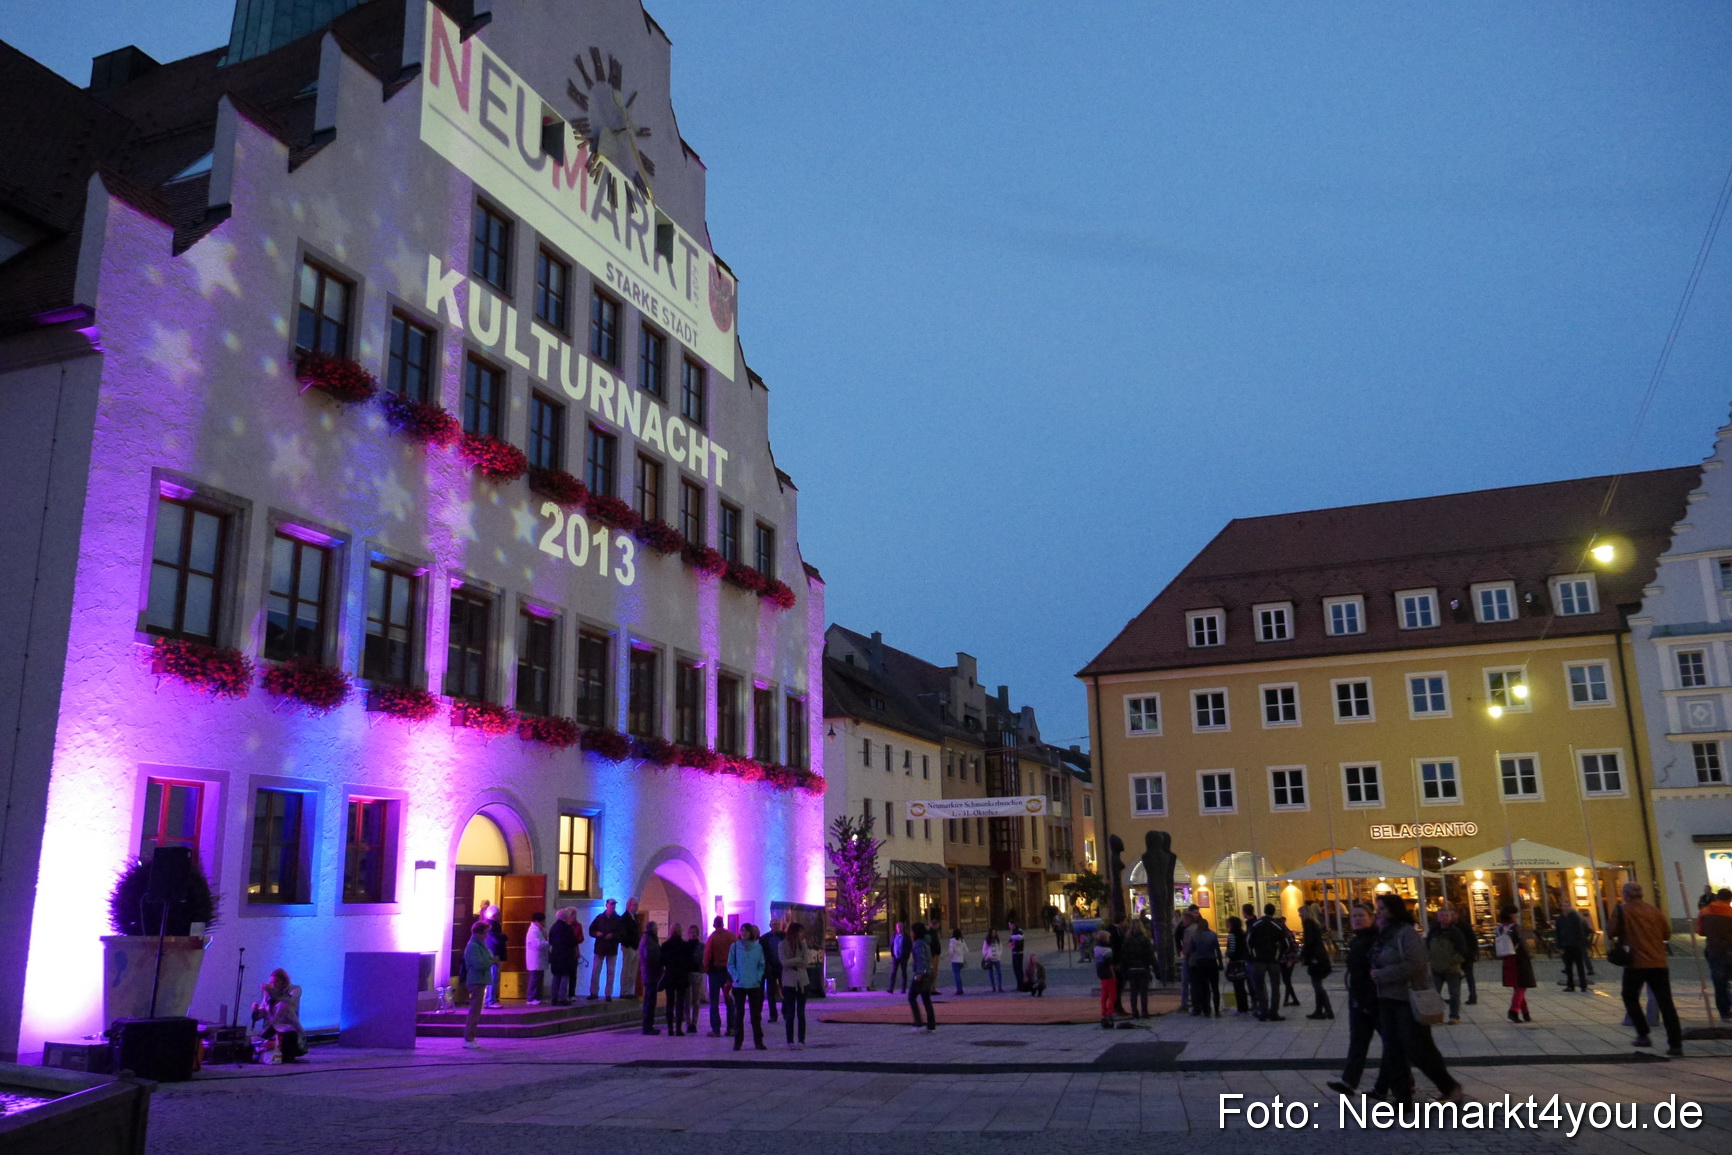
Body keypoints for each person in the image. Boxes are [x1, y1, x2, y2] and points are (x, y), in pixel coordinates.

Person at [1369, 893, 1465, 1106]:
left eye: (1382, 909)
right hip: (1387, 998)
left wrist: (1383, 974)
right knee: (1392, 1050)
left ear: (1393, 910)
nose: (1378, 913)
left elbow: (1415, 964)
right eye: (1378, 909)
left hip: (1408, 999)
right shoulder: (1384, 934)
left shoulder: (1407, 934)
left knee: (1418, 1049)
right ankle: (1402, 1098)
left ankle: (1450, 1087)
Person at [1608, 881, 1684, 1056]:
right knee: (1666, 1003)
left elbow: (1612, 931)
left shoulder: (1622, 910)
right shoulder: (1655, 911)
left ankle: (1643, 1033)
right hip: (1658, 962)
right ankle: (1675, 1043)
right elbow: (1666, 934)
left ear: (1626, 895)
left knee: (1629, 996)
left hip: (1636, 963)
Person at [1327, 903, 1382, 1096]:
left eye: (1361, 916)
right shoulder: (1358, 940)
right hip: (1359, 998)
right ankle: (1349, 1081)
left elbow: (1370, 972)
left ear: (1371, 918)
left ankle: (1406, 1082)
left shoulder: (1374, 940)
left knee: (1389, 1043)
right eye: (1354, 916)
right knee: (1358, 1041)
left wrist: (1367, 999)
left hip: (1373, 1000)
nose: (1357, 919)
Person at [726, 922, 768, 1050]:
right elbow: (730, 964)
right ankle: (738, 1041)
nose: (743, 933)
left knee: (756, 1015)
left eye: (746, 931)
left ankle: (758, 1040)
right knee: (739, 1014)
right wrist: (736, 977)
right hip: (740, 985)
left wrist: (758, 977)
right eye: (742, 930)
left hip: (754, 984)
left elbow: (761, 965)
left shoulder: (758, 948)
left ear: (751, 933)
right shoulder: (735, 947)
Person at [1426, 906, 1469, 1025]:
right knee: (1434, 994)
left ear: (1450, 918)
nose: (1444, 918)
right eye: (1442, 915)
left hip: (1452, 969)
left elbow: (1462, 950)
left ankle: (1454, 1016)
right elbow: (1427, 945)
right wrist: (1429, 958)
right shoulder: (1434, 931)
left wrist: (1453, 961)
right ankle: (1437, 1016)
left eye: (1447, 915)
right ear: (1438, 917)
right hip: (1436, 967)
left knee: (1454, 994)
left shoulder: (1455, 932)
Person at [253, 968, 305, 1063]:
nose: (272, 985)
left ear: (284, 982)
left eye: (276, 982)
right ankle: (272, 1048)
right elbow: (262, 1013)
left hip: (289, 1028)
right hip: (273, 1027)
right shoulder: (268, 994)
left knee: (287, 1039)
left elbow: (289, 999)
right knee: (253, 1045)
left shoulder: (296, 989)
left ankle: (283, 1051)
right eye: (271, 982)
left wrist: (272, 991)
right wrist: (256, 1010)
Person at [1698, 886, 1732, 1023]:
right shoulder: (1730, 912)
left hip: (1714, 950)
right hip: (1730, 948)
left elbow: (1701, 932)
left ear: (1717, 897)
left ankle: (1724, 1012)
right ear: (1729, 899)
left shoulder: (1704, 912)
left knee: (1720, 982)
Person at [1496, 908, 1535, 1023]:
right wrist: (1529, 953)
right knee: (1522, 986)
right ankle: (1513, 1011)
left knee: (1517, 987)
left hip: (1507, 958)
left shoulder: (1499, 928)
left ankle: (1526, 1013)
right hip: (1519, 959)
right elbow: (1522, 943)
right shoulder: (1514, 927)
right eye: (1515, 915)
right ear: (1511, 915)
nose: (1517, 917)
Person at [780, 922, 816, 1047]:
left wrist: (795, 962)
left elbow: (806, 961)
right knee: (790, 1013)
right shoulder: (782, 945)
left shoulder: (803, 944)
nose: (801, 934)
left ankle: (801, 1039)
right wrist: (797, 960)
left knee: (801, 1013)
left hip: (802, 982)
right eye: (800, 932)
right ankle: (790, 1041)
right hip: (789, 982)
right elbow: (784, 962)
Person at [1247, 904, 1285, 1021]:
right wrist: (1279, 955)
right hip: (1273, 960)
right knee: (1275, 987)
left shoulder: (1256, 924)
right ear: (1273, 912)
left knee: (1259, 986)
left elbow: (1248, 941)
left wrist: (1253, 954)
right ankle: (1274, 1012)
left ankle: (1263, 1011)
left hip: (1259, 959)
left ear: (1264, 911)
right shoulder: (1277, 925)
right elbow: (1285, 943)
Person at [703, 916, 737, 1036]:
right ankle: (731, 1028)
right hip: (728, 972)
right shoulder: (731, 936)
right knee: (730, 1000)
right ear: (723, 924)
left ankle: (716, 1030)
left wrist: (707, 969)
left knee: (714, 1002)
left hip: (715, 971)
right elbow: (736, 953)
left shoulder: (712, 938)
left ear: (714, 925)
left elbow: (707, 956)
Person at [461, 921, 493, 1050]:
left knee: (477, 1010)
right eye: (485, 932)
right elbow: (479, 964)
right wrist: (491, 961)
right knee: (474, 1010)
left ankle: (471, 1036)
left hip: (480, 979)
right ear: (479, 933)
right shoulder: (474, 946)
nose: (487, 935)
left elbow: (488, 957)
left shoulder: (480, 945)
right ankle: (469, 1037)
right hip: (476, 980)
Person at [1186, 914, 1223, 1017]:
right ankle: (1217, 1010)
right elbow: (1217, 950)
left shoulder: (1196, 936)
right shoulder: (1213, 935)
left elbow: (1191, 950)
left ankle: (1206, 1009)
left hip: (1200, 963)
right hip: (1212, 962)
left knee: (1204, 987)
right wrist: (1220, 963)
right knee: (1215, 987)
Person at [1301, 908, 1334, 1020]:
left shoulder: (1308, 923)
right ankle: (1320, 1010)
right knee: (1317, 983)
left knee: (1317, 985)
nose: (1299, 916)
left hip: (1315, 958)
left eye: (1300, 913)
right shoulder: (1315, 923)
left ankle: (1327, 1010)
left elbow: (1308, 941)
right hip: (1320, 956)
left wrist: (1303, 955)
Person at [588, 898, 623, 1001]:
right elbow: (591, 930)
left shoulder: (618, 919)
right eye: (611, 904)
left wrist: (613, 935)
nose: (613, 906)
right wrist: (596, 933)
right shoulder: (600, 917)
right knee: (596, 970)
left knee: (611, 971)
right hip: (600, 947)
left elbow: (622, 934)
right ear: (606, 905)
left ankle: (608, 994)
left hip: (612, 948)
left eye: (614, 904)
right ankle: (594, 992)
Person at [1553, 903, 1590, 992]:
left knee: (1579, 965)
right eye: (1564, 906)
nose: (1566, 908)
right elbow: (1558, 932)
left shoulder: (1575, 917)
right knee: (1568, 967)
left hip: (1576, 945)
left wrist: (1581, 943)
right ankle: (1570, 985)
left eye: (1567, 906)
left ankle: (1583, 985)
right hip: (1566, 945)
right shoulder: (1560, 919)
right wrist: (1559, 944)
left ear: (1570, 907)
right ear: (1562, 907)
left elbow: (1579, 931)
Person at [661, 922, 690, 1036]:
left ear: (671, 931)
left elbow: (662, 961)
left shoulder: (665, 945)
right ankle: (678, 1028)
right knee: (680, 1002)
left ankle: (670, 1028)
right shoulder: (685, 946)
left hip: (670, 976)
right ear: (680, 931)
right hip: (681, 977)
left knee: (670, 1002)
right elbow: (688, 962)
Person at [906, 921, 936, 1031]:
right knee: (926, 999)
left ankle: (918, 1023)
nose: (911, 933)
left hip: (922, 974)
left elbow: (921, 959)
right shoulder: (925, 942)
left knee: (912, 997)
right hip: (929, 972)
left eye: (912, 931)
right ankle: (931, 1025)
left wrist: (919, 974)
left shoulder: (918, 943)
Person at [1121, 923, 1155, 1018]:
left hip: (1132, 968)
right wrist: (1154, 968)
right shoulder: (1145, 940)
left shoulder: (1127, 941)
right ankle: (1144, 1011)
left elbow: (1124, 956)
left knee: (1133, 992)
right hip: (1143, 967)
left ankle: (1134, 1012)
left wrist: (1124, 970)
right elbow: (1150, 955)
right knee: (1143, 992)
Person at [548, 908, 581, 1006]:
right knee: (565, 976)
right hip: (566, 955)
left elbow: (550, 940)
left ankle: (554, 998)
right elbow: (573, 941)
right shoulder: (568, 928)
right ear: (566, 917)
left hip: (555, 954)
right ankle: (562, 997)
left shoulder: (553, 927)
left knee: (556, 976)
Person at [638, 921, 663, 1034]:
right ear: (653, 929)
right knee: (650, 1001)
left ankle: (648, 1025)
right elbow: (650, 957)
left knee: (650, 1000)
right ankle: (647, 1026)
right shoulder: (649, 940)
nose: (657, 930)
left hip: (649, 974)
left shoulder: (649, 939)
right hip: (650, 974)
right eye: (656, 928)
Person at [1224, 915, 1252, 1016]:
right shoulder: (1242, 932)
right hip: (1242, 961)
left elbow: (1232, 948)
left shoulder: (1232, 934)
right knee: (1242, 985)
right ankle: (1245, 1007)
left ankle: (1240, 1007)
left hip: (1235, 962)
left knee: (1237, 986)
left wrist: (1227, 953)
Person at [1276, 913, 1302, 1008]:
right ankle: (1288, 1000)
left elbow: (1294, 946)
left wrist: (1291, 959)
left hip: (1287, 959)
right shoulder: (1283, 933)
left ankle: (1293, 999)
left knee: (1286, 980)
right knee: (1287, 980)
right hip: (1284, 959)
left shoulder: (1286, 934)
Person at [761, 919, 785, 1023]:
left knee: (785, 990)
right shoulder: (764, 938)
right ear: (770, 925)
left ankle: (785, 1012)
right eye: (774, 924)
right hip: (770, 967)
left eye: (777, 924)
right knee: (770, 993)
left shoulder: (784, 937)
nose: (776, 926)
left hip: (783, 967)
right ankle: (773, 1015)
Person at [1093, 930, 1118, 1028]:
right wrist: (1113, 975)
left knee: (1104, 994)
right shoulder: (1108, 950)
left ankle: (1104, 1011)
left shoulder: (1096, 949)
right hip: (1108, 974)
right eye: (1108, 937)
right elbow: (1110, 964)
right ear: (1105, 938)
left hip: (1100, 973)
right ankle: (1110, 1012)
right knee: (1112, 994)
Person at [619, 897, 642, 1000]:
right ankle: (624, 991)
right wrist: (630, 943)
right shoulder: (624, 918)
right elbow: (623, 934)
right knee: (627, 970)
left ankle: (631, 991)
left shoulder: (635, 917)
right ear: (628, 905)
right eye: (635, 905)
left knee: (633, 971)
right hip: (628, 946)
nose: (636, 907)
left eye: (637, 905)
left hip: (636, 947)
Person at [524, 912, 549, 1006]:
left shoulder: (540, 930)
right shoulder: (533, 931)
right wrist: (549, 942)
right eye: (542, 921)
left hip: (539, 958)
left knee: (539, 979)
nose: (544, 923)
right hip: (535, 958)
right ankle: (531, 998)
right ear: (536, 921)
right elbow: (538, 945)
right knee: (534, 979)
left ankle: (538, 997)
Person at [684, 923, 705, 1033]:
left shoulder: (701, 946)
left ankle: (694, 1022)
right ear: (688, 934)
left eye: (694, 933)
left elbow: (703, 959)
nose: (692, 934)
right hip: (687, 973)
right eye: (691, 933)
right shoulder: (685, 946)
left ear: (697, 934)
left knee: (696, 999)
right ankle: (688, 1022)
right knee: (686, 1000)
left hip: (697, 973)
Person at [888, 922, 911, 994]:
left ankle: (903, 989)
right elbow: (891, 944)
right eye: (898, 927)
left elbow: (909, 945)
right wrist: (892, 952)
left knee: (903, 973)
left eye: (900, 927)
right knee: (893, 972)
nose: (899, 928)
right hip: (895, 956)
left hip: (903, 957)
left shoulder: (906, 936)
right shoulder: (894, 935)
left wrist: (907, 954)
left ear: (903, 927)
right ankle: (891, 988)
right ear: (896, 928)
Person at [948, 928, 968, 995]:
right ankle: (960, 989)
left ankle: (959, 989)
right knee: (958, 975)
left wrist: (950, 957)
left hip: (954, 960)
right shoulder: (962, 940)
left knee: (956, 975)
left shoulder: (952, 941)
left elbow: (951, 951)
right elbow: (966, 950)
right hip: (961, 960)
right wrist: (961, 954)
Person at [1009, 920, 1027, 991]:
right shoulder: (1014, 931)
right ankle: (1019, 985)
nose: (1009, 926)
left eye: (1010, 925)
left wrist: (1013, 942)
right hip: (1014, 953)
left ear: (1013, 924)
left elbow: (1019, 940)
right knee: (1016, 970)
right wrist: (1011, 943)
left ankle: (1021, 986)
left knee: (1019, 970)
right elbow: (1010, 941)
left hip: (1018, 953)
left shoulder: (1019, 931)